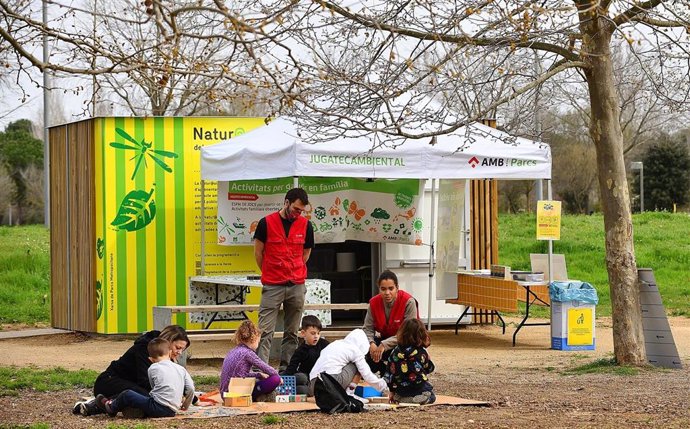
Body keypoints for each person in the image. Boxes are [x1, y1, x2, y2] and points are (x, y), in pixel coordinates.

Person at [253, 187, 315, 369]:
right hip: (273, 284)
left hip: (296, 284)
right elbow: (258, 252)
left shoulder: (306, 225)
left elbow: (306, 253)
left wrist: (294, 270)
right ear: (286, 203)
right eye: (296, 209)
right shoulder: (266, 223)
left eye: (302, 211)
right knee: (264, 330)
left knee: (292, 331)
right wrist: (269, 271)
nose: (298, 213)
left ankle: (287, 368)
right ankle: (261, 369)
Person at [74, 324, 191, 416]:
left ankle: (126, 408)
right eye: (178, 348)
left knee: (149, 398)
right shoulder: (146, 349)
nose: (179, 353)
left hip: (132, 384)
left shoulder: (165, 357)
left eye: (182, 350)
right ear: (168, 341)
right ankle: (94, 405)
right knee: (150, 397)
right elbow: (146, 382)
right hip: (109, 382)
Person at [96, 338, 195, 418]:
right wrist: (185, 405)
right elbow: (191, 388)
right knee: (141, 401)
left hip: (158, 407)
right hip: (173, 410)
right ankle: (137, 412)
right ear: (169, 353)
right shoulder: (181, 369)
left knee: (127, 394)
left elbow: (153, 387)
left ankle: (111, 407)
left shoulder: (153, 367)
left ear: (150, 359)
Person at [363, 270, 419, 375]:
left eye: (391, 288)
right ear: (378, 289)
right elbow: (367, 328)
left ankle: (394, 374)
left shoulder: (408, 302)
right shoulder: (374, 303)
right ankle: (384, 372)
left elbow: (409, 332)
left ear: (397, 288)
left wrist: (384, 345)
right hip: (385, 340)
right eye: (383, 289)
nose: (387, 293)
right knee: (363, 351)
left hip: (406, 341)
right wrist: (372, 344)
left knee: (405, 353)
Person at [308, 329, 388, 397]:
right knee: (358, 365)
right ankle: (350, 394)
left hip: (313, 385)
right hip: (331, 384)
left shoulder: (335, 344)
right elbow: (366, 375)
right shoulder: (355, 351)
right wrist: (384, 386)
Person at [219, 320, 281, 402]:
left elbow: (240, 375)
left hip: (225, 393)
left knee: (259, 380)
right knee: (275, 379)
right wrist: (278, 376)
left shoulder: (234, 351)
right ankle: (256, 397)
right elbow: (264, 367)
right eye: (258, 341)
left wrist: (258, 374)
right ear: (253, 338)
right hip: (235, 393)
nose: (258, 344)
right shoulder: (248, 353)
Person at [384, 318, 436, 405]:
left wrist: (392, 391)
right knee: (431, 396)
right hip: (418, 387)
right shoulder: (421, 352)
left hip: (400, 388)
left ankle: (401, 398)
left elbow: (389, 373)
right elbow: (429, 368)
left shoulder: (395, 351)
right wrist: (428, 359)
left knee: (400, 391)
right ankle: (418, 398)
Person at [280, 315, 330, 395]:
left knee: (306, 389)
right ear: (303, 333)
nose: (316, 336)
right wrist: (280, 378)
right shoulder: (300, 351)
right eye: (313, 333)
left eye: (318, 333)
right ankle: (276, 382)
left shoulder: (324, 344)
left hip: (321, 379)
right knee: (301, 379)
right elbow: (291, 368)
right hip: (306, 379)